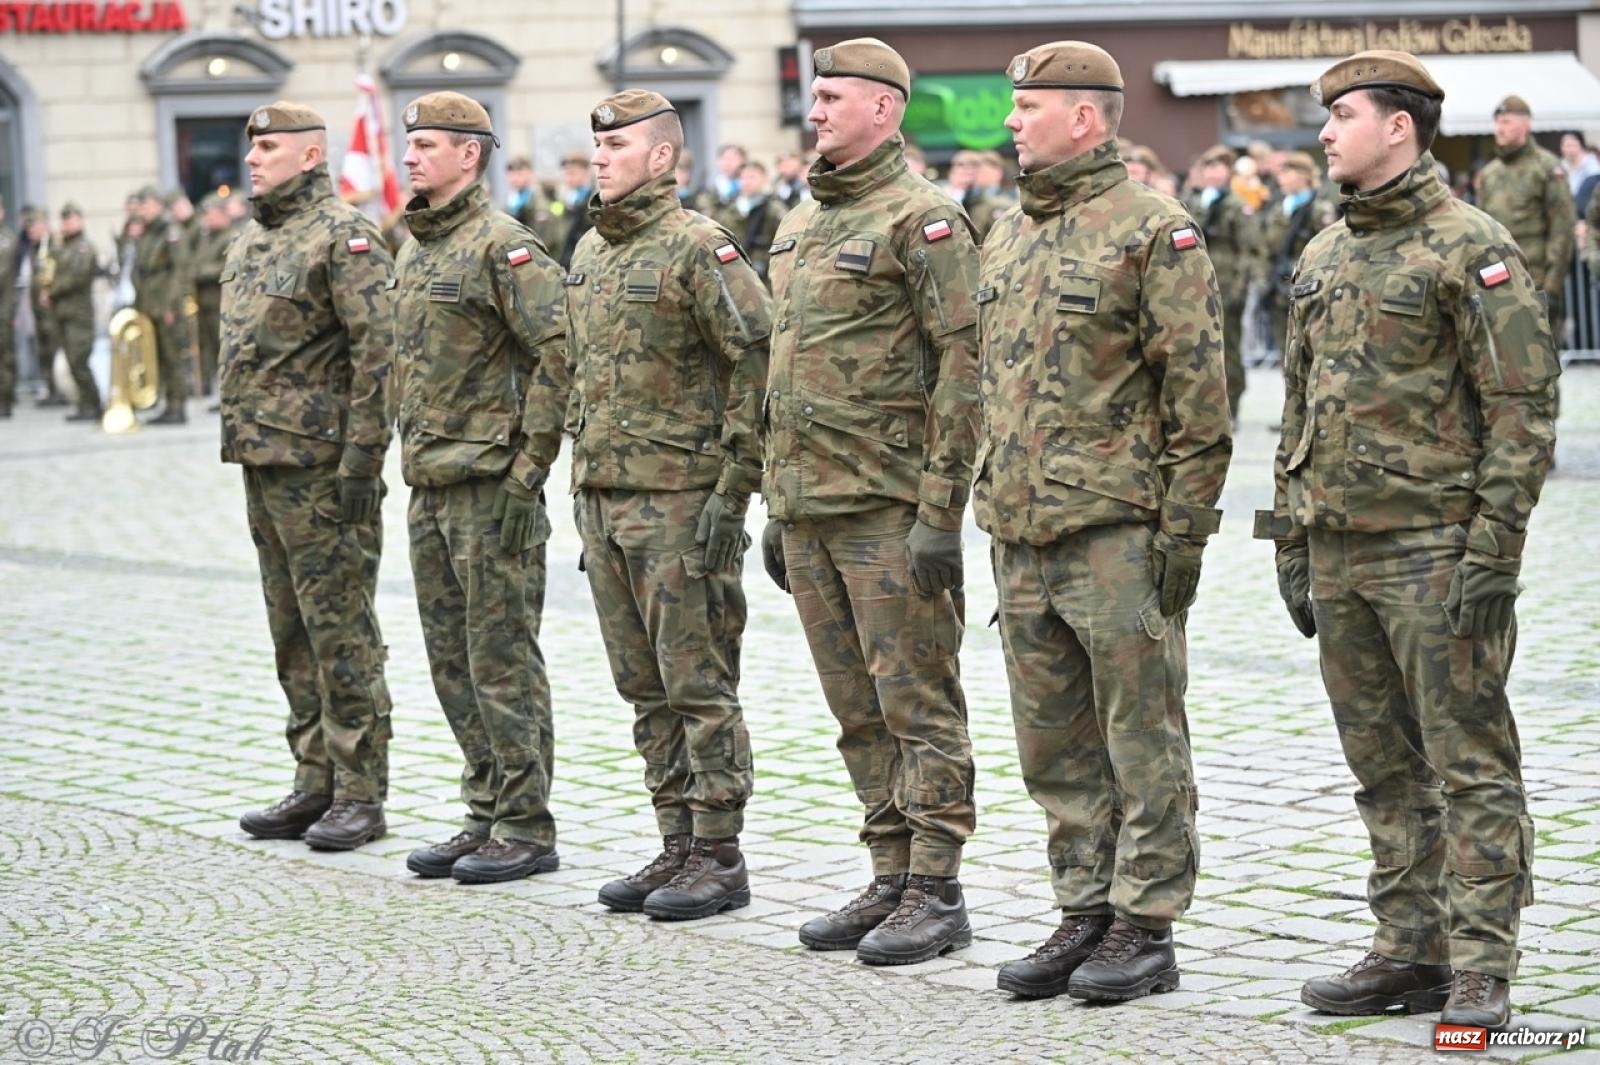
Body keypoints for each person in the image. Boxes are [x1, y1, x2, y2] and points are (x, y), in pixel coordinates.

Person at [1258, 51, 1556, 1030]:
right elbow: (1293, 408)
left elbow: (1521, 407)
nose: (1326, 131)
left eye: (1343, 114)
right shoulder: (1323, 251)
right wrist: (1286, 538)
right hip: (1339, 550)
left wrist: (1494, 554)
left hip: (1435, 551)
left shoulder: (1468, 246)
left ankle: (1480, 965)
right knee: (1381, 767)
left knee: (1469, 764)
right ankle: (1406, 945)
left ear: (1400, 126)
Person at [975, 41, 1230, 1004]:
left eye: (1027, 106)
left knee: (1142, 737)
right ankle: (1083, 906)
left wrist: (1184, 538)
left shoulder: (1153, 232)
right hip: (1022, 531)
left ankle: (1145, 922)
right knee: (1054, 744)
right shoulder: (1007, 232)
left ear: (1084, 117)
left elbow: (1200, 402)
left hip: (1116, 532)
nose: (1011, 121)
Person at [762, 37, 981, 966]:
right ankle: (888, 871)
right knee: (855, 706)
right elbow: (780, 374)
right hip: (812, 508)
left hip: (889, 510)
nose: (816, 112)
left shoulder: (925, 220)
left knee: (917, 702)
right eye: (814, 98)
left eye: (834, 97)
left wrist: (940, 511)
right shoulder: (801, 223)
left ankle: (936, 885)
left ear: (885, 109)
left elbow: (965, 370)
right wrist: (778, 501)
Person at [570, 89, 772, 920]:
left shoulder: (700, 248)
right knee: (642, 686)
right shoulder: (588, 249)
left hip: (681, 504)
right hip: (607, 501)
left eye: (617, 147)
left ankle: (720, 851)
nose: (600, 158)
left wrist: (735, 487)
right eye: (597, 147)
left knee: (697, 682)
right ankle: (676, 837)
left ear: (661, 157)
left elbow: (757, 357)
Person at [394, 91, 570, 885]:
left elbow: (557, 355)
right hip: (429, 485)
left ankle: (527, 824)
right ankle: (485, 808)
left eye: (427, 145)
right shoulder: (415, 250)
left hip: (491, 486)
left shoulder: (506, 247)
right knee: (450, 659)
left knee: (501, 657)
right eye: (410, 144)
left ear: (470, 154)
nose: (410, 157)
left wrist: (528, 469)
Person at [223, 103, 397, 851]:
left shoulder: (345, 236)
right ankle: (313, 776)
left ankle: (361, 790)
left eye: (269, 146)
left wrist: (363, 462)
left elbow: (378, 355)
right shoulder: (252, 238)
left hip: (324, 470)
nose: (254, 157)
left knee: (340, 630)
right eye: (252, 145)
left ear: (311, 154)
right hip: (263, 462)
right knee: (290, 628)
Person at [1476, 96, 1574, 345]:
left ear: (1526, 125)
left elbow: (1562, 230)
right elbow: (1480, 231)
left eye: (1507, 121)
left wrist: (1552, 287)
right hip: (1497, 282)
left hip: (1536, 281)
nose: (1500, 128)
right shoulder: (1490, 174)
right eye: (1498, 121)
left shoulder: (1547, 168)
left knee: (1541, 360)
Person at [1186, 145, 1253, 422]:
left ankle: (1232, 405)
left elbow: (1247, 249)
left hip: (1225, 283)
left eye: (1218, 168)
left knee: (1229, 348)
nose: (1213, 174)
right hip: (1196, 284)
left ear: (1228, 172)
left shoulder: (1235, 204)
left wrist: (1240, 286)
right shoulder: (1195, 201)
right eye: (1208, 168)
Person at [1257, 152, 1337, 361]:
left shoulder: (1319, 210)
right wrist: (1263, 281)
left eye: (1287, 173)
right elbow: (1265, 249)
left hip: (1310, 293)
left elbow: (1329, 254)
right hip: (1279, 290)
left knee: (1311, 354)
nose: (1280, 179)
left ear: (1303, 175)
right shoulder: (1278, 210)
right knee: (1287, 357)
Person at [132, 186, 187, 423]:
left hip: (165, 303)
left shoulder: (170, 232)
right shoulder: (147, 232)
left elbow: (180, 270)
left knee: (172, 356)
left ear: (157, 204)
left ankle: (177, 405)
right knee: (158, 357)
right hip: (149, 303)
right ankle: (167, 403)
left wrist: (170, 305)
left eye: (146, 205)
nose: (142, 210)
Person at [51, 203, 100, 422]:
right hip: (64, 314)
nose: (66, 224)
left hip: (79, 315)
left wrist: (52, 289)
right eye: (64, 220)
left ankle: (94, 404)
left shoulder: (83, 247)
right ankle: (84, 404)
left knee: (79, 361)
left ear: (80, 221)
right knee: (72, 362)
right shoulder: (63, 248)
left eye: (70, 220)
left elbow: (77, 278)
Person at [189, 195, 233, 398]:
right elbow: (195, 261)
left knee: (225, 351)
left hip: (221, 303)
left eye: (211, 214)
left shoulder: (231, 236)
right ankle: (220, 391)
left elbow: (226, 268)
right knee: (211, 352)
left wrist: (200, 272)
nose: (207, 218)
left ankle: (229, 392)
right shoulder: (206, 238)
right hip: (205, 302)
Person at [712, 160, 785, 281]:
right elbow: (719, 242)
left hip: (765, 276)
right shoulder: (727, 210)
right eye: (744, 177)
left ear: (764, 179)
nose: (747, 182)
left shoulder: (773, 209)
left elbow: (783, 243)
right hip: (734, 274)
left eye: (752, 177)